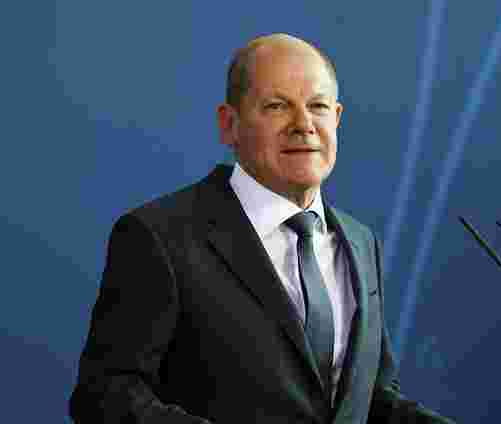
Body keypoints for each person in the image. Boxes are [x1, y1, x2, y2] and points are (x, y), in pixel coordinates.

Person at [69, 33, 456, 424]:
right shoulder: (159, 237)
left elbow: (368, 399)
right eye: (277, 106)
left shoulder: (361, 243)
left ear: (337, 118)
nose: (303, 125)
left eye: (318, 106)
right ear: (230, 125)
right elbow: (105, 395)